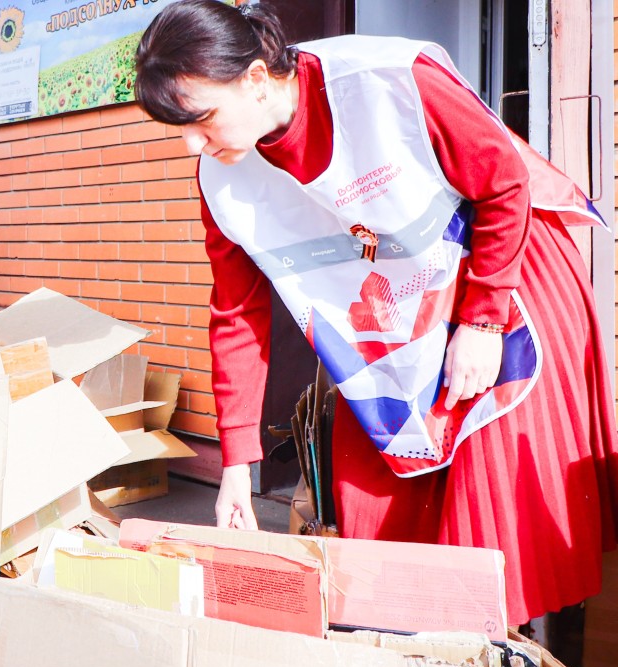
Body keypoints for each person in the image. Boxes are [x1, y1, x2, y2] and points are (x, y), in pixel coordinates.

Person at [135, 0, 618, 626]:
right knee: (373, 488)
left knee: (492, 493)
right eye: (178, 127)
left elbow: (504, 186)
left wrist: (482, 323)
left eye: (201, 119)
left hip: (499, 272)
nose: (191, 144)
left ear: (254, 78)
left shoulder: (390, 80)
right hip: (395, 308)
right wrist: (235, 464)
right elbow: (236, 315)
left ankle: (509, 654)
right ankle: (406, 646)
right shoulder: (222, 176)